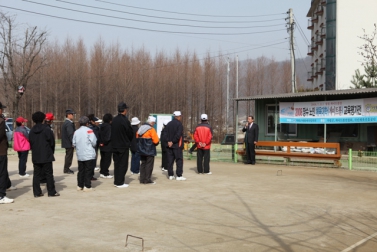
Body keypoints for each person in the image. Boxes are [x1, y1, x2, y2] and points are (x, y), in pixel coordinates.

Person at [29, 111, 60, 197]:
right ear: (43, 119)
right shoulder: (47, 129)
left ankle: (37, 192)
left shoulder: (31, 130)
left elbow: (30, 142)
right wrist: (51, 152)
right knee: (49, 174)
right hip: (46, 154)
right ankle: (51, 192)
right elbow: (52, 142)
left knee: (36, 174)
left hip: (36, 154)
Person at [111, 102, 133, 188]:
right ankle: (120, 182)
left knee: (116, 164)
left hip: (115, 145)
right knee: (123, 164)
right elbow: (130, 133)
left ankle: (117, 181)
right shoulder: (125, 120)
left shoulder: (114, 120)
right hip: (123, 145)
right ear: (124, 110)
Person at [73, 116, 97, 192]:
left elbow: (73, 143)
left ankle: (80, 185)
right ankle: (87, 186)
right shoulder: (89, 131)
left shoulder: (76, 132)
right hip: (88, 154)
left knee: (81, 170)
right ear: (87, 123)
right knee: (88, 170)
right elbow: (94, 142)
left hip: (80, 154)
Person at [137, 116, 159, 184]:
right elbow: (156, 141)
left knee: (143, 164)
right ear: (152, 122)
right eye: (154, 123)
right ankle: (147, 179)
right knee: (149, 164)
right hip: (150, 150)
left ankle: (142, 179)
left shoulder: (140, 129)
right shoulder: (151, 129)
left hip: (141, 149)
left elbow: (137, 138)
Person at [0, 102, 14, 204]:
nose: (2, 111)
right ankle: (1, 195)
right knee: (2, 173)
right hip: (1, 152)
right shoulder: (1, 121)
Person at [165, 111, 186, 181]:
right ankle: (179, 175)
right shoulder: (179, 124)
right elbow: (178, 135)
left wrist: (168, 141)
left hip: (169, 145)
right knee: (179, 160)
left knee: (170, 161)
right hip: (177, 145)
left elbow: (165, 134)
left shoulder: (168, 124)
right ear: (179, 116)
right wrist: (172, 141)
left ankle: (170, 175)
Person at [99, 113, 113, 179]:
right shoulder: (109, 127)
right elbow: (108, 137)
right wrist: (105, 142)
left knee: (103, 159)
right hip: (108, 146)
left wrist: (101, 142)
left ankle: (102, 172)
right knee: (107, 160)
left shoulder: (101, 126)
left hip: (102, 145)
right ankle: (105, 173)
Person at [61, 109, 76, 174]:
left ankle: (66, 168)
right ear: (68, 115)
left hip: (67, 142)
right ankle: (66, 169)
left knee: (68, 156)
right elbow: (70, 133)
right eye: (72, 114)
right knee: (69, 156)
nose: (73, 115)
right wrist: (73, 142)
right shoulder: (69, 123)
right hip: (69, 143)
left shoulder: (67, 123)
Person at [88, 114, 101, 181]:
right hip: (92, 147)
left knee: (92, 162)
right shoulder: (93, 129)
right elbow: (95, 138)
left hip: (93, 147)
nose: (97, 122)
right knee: (91, 162)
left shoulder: (94, 128)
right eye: (96, 121)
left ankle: (91, 175)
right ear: (92, 121)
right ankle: (90, 176)